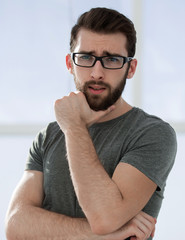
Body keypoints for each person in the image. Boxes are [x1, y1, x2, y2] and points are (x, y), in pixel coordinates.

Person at [5, 7, 177, 240]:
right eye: (86, 57)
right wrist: (102, 236)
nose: (97, 72)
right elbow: (15, 225)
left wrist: (74, 127)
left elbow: (105, 218)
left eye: (112, 59)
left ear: (131, 68)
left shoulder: (152, 134)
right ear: (70, 63)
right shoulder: (49, 136)